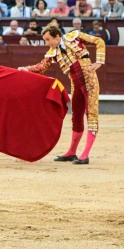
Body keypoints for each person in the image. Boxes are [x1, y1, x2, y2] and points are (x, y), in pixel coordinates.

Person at [19, 25, 105, 164]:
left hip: (90, 83)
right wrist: (26, 69)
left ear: (57, 36)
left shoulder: (75, 36)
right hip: (76, 86)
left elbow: (99, 41)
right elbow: (41, 67)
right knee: (76, 118)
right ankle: (72, 152)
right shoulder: (53, 52)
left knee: (92, 116)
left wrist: (99, 61)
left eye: (48, 39)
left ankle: (85, 155)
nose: (47, 43)